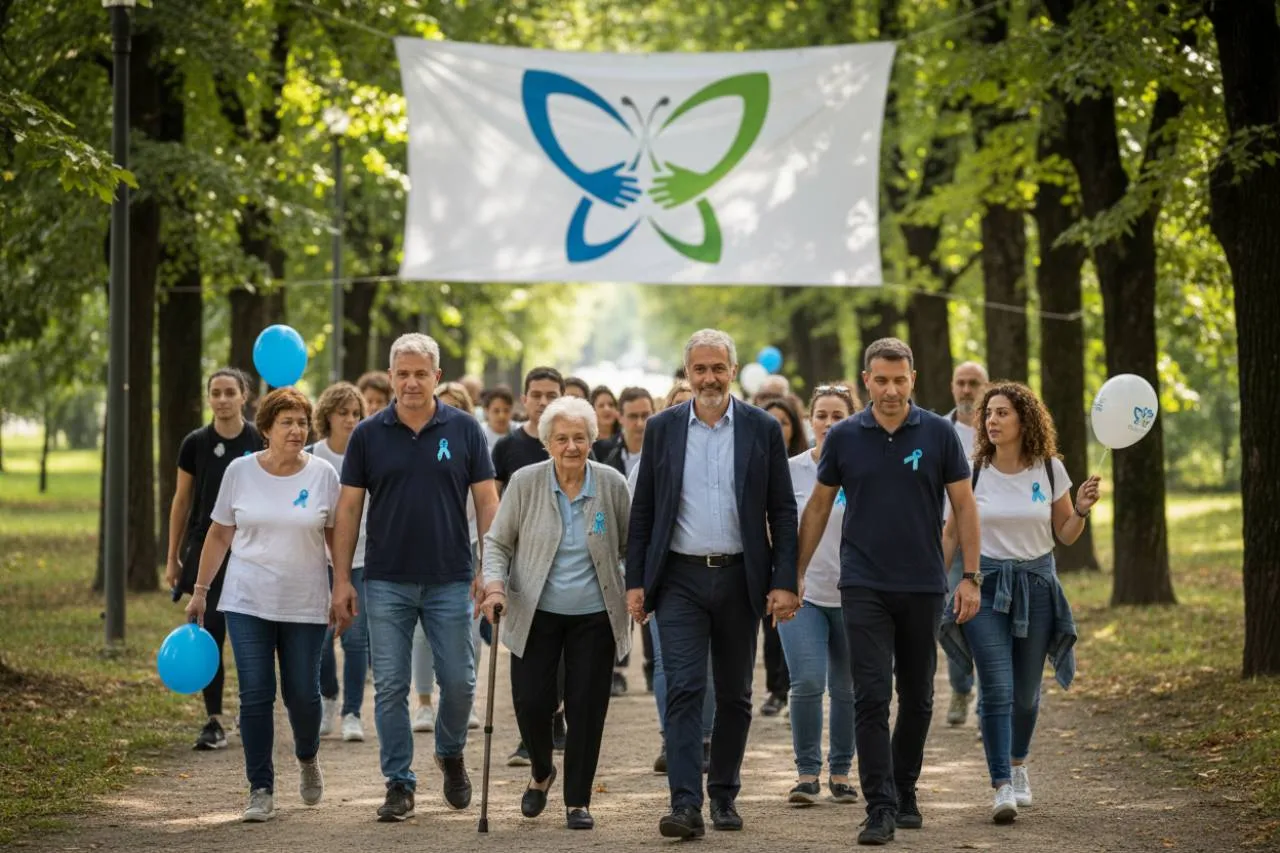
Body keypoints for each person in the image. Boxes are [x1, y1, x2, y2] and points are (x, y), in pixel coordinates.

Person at [795, 337, 981, 846]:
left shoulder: (942, 434)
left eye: (900, 380)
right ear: (866, 381)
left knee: (918, 697)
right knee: (871, 696)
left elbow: (964, 506)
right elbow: (816, 507)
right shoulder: (845, 437)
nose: (892, 389)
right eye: (881, 380)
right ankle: (879, 806)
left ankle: (905, 788)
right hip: (863, 584)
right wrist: (796, 573)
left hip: (923, 583)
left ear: (913, 380)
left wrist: (970, 575)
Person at [627, 328, 800, 839]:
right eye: (698, 369)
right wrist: (636, 581)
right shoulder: (661, 429)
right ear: (687, 373)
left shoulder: (761, 428)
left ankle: (723, 794)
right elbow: (644, 513)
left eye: (717, 368)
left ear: (732, 369)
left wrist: (783, 580)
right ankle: (684, 804)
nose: (708, 378)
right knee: (683, 688)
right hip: (678, 577)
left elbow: (782, 511)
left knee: (735, 694)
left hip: (740, 576)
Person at [329, 333, 500, 823]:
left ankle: (449, 752)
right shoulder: (368, 434)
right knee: (389, 687)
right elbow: (348, 509)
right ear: (390, 377)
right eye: (401, 374)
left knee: (460, 682)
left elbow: (488, 502)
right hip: (385, 579)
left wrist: (490, 570)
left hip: (451, 577)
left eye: (420, 373)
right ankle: (399, 783)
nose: (410, 382)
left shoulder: (466, 430)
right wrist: (342, 579)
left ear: (437, 378)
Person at [940, 382, 1097, 824]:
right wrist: (936, 583)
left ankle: (1018, 764)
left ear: (1025, 419)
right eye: (988, 413)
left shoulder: (1050, 471)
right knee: (997, 686)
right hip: (984, 586)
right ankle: (1000, 786)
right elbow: (951, 534)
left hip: (1038, 586)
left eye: (1002, 412)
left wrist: (1080, 510)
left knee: (1026, 696)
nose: (991, 420)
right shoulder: (972, 470)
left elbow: (1064, 534)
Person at [185, 387, 344, 823]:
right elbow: (219, 534)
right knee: (256, 694)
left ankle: (308, 757)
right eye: (287, 422)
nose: (296, 430)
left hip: (305, 601)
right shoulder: (239, 472)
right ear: (267, 428)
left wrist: (343, 587)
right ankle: (261, 787)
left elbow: (334, 539)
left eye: (302, 422)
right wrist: (200, 590)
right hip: (246, 598)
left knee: (303, 695)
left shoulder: (323, 475)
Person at [478, 397, 632, 830]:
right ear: (547, 442)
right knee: (531, 701)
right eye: (562, 438)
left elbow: (629, 547)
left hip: (594, 614)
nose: (571, 446)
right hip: (535, 610)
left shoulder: (611, 484)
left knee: (586, 706)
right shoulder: (526, 483)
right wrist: (493, 585)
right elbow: (498, 542)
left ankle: (578, 800)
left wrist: (637, 590)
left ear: (592, 440)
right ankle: (542, 771)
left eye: (579, 438)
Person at [165, 367, 263, 751]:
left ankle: (249, 708)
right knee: (210, 632)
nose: (221, 399)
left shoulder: (259, 438)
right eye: (215, 393)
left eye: (229, 392)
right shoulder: (194, 443)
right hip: (206, 548)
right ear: (208, 398)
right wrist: (173, 557)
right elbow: (182, 501)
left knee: (249, 636)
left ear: (244, 397)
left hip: (252, 549)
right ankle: (213, 720)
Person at [780, 384, 860, 807]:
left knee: (847, 688)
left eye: (839, 416)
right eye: (822, 415)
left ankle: (842, 771)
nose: (830, 424)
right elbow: (772, 527)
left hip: (856, 596)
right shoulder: (789, 469)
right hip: (802, 594)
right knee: (808, 681)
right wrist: (783, 581)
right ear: (810, 420)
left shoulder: (864, 467)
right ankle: (807, 773)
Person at [492, 366, 569, 766]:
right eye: (536, 394)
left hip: (568, 567)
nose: (543, 401)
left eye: (551, 394)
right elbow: (498, 506)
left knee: (559, 657)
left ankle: (555, 715)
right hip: (525, 566)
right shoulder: (507, 448)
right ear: (525, 399)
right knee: (527, 655)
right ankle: (531, 736)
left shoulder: (573, 441)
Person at [410, 382, 484, 734]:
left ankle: (462, 702)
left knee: (469, 630)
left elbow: (486, 504)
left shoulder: (473, 445)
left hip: (465, 548)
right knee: (424, 634)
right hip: (424, 548)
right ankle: (424, 703)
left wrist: (485, 563)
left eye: (456, 407)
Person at [308, 382, 371, 743]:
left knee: (356, 637)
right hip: (318, 561)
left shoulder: (368, 454)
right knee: (320, 637)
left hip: (361, 557)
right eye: (343, 413)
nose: (350, 420)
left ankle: (353, 713)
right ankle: (328, 697)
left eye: (356, 414)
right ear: (327, 416)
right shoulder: (312, 456)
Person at [601, 386, 654, 696]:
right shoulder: (606, 453)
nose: (639, 423)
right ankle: (617, 668)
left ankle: (652, 663)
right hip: (616, 537)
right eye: (633, 416)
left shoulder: (663, 450)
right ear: (620, 417)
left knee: (652, 599)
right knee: (618, 603)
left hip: (651, 540)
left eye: (645, 415)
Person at [943, 361, 988, 727]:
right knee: (950, 617)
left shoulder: (998, 431)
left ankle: (989, 703)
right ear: (952, 386)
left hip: (992, 543)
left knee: (988, 623)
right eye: (961, 383)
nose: (967, 390)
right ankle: (961, 688)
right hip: (946, 540)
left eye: (974, 383)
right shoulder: (937, 431)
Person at [757, 397, 809, 716]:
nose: (777, 429)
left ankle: (795, 687)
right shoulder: (754, 462)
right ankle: (776, 688)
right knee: (772, 628)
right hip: (766, 556)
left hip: (804, 557)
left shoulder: (803, 464)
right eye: (771, 422)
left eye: (784, 422)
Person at [589, 385, 622, 457]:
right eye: (601, 405)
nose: (607, 409)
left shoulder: (624, 440)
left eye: (611, 405)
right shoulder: (588, 443)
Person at [480, 386, 515, 452]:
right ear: (486, 411)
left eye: (506, 410)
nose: (502, 416)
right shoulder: (479, 434)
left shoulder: (519, 431)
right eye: (496, 411)